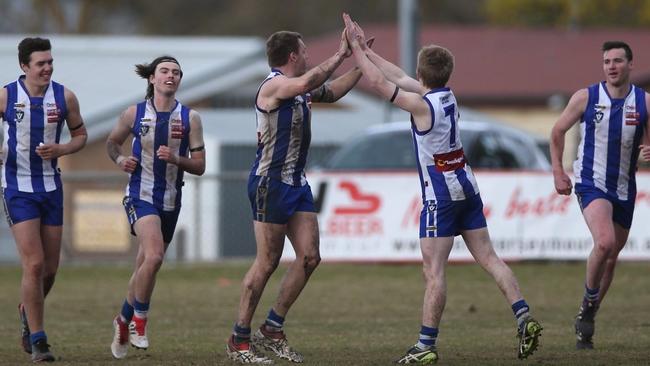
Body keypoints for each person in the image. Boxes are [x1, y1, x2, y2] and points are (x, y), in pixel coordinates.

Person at [342, 13, 542, 364]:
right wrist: (368, 53)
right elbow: (397, 75)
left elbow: (378, 82)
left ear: (422, 74)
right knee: (490, 258)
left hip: (442, 196)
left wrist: (356, 49)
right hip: (467, 186)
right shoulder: (446, 97)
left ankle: (425, 345)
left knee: (433, 272)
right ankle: (524, 316)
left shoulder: (420, 104)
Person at [225, 27, 366, 364]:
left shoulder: (300, 89)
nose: (308, 56)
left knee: (309, 257)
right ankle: (239, 339)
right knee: (268, 262)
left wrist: (363, 62)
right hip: (269, 183)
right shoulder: (274, 85)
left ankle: (272, 329)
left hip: (295, 182)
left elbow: (331, 92)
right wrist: (342, 53)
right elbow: (306, 83)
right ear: (292, 56)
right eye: (304, 51)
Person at [550, 41, 649, 350]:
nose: (611, 66)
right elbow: (556, 132)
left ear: (630, 65)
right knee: (604, 242)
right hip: (591, 182)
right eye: (607, 61)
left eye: (618, 60)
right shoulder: (587, 97)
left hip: (624, 187)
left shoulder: (644, 102)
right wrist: (558, 171)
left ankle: (588, 312)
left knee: (610, 258)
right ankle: (590, 302)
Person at [106, 55, 206, 359]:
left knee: (145, 265)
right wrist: (121, 160)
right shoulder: (133, 113)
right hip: (140, 194)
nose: (170, 76)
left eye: (176, 72)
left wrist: (177, 159)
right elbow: (112, 143)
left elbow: (200, 166)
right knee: (154, 256)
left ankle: (122, 319)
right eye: (164, 71)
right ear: (152, 78)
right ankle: (140, 321)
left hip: (171, 200)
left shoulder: (190, 118)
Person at [0, 37, 87, 362]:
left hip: (51, 187)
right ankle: (38, 340)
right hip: (18, 188)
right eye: (41, 63)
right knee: (34, 264)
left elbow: (81, 136)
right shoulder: (7, 95)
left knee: (50, 269)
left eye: (50, 62)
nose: (47, 68)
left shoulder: (64, 96)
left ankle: (27, 310)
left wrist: (61, 149)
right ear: (25, 66)